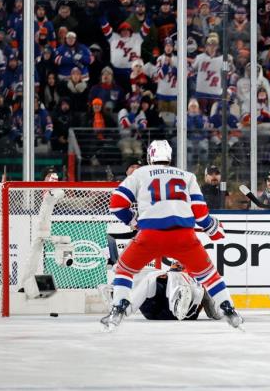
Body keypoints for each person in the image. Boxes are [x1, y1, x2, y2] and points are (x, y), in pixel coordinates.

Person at [101, 140, 242, 329]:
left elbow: (117, 204)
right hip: (184, 237)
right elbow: (200, 213)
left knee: (124, 270)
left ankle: (119, 308)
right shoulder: (187, 176)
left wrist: (134, 221)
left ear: (151, 156)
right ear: (169, 157)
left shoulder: (140, 173)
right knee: (210, 276)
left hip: (150, 235)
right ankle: (229, 309)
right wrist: (213, 228)